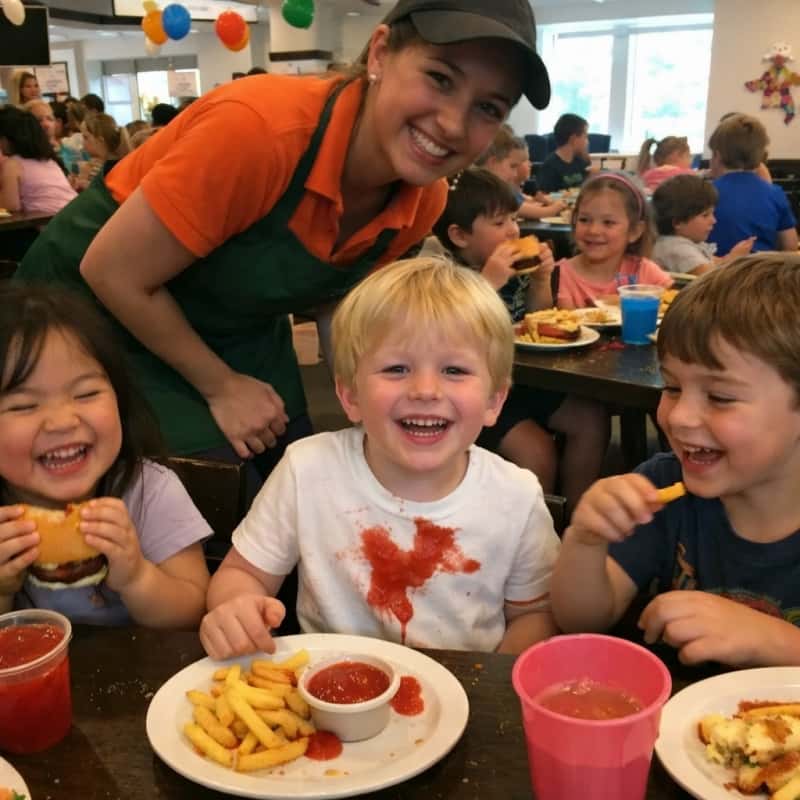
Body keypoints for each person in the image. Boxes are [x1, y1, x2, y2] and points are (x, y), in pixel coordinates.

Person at [16, 0, 553, 501]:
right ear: (381, 53)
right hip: (95, 318)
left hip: (237, 322)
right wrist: (222, 387)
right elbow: (112, 271)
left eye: (488, 107)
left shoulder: (425, 199)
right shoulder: (261, 129)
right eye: (439, 78)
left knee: (301, 471)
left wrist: (384, 401)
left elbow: (335, 306)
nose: (454, 125)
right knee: (223, 491)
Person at [199, 257, 560, 658]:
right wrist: (235, 607)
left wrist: (491, 691)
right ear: (350, 396)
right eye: (397, 368)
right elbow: (242, 574)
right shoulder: (307, 469)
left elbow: (535, 615)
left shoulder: (517, 496)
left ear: (494, 400)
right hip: (326, 692)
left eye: (455, 370)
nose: (425, 390)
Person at [551, 254, 800, 668]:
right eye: (671, 387)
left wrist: (776, 641)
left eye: (720, 397)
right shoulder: (663, 487)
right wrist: (585, 541)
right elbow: (582, 620)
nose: (679, 417)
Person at [0, 284, 210, 626]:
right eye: (24, 405)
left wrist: (138, 578)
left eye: (85, 394)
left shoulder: (149, 491)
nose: (62, 422)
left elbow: (194, 611)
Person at [428, 167, 609, 508]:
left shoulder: (514, 268)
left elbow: (533, 319)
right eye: (499, 223)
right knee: (537, 450)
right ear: (460, 235)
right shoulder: (442, 273)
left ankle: (573, 523)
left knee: (590, 417)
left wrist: (541, 280)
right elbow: (445, 334)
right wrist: (487, 283)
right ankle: (524, 536)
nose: (514, 229)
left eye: (513, 218)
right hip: (468, 391)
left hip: (519, 380)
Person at [555, 172, 672, 309]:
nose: (593, 230)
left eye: (608, 222)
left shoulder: (645, 272)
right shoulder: (559, 275)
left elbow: (676, 308)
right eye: (584, 220)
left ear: (634, 231)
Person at [706, 114, 798, 255]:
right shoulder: (774, 193)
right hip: (761, 272)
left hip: (715, 273)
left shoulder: (703, 194)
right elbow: (790, 246)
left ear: (717, 156)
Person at [651, 174, 755, 275]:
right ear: (678, 222)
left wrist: (731, 257)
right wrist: (732, 259)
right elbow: (710, 278)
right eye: (705, 215)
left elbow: (714, 262)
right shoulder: (676, 248)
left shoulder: (685, 242)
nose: (714, 220)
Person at [476, 126, 566, 220]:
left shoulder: (498, 188)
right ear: (493, 163)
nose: (515, 174)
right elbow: (522, 209)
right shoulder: (490, 192)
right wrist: (556, 207)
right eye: (513, 166)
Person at [0, 106, 76, 215]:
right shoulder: (49, 161)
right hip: (72, 214)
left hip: (51, 224)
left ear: (6, 139)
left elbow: (11, 205)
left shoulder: (12, 164)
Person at [73, 113, 130, 191]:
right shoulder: (99, 165)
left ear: (100, 141)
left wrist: (83, 179)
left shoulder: (106, 169)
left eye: (86, 137)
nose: (83, 143)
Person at [536, 113, 592, 193]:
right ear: (573, 139)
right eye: (585, 136)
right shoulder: (549, 166)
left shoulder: (583, 162)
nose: (587, 142)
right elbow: (544, 196)